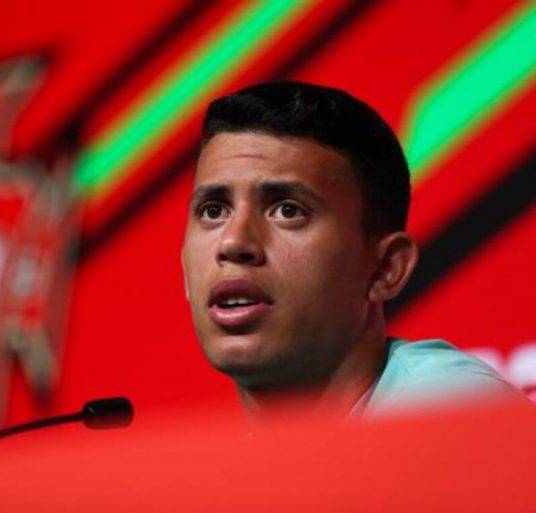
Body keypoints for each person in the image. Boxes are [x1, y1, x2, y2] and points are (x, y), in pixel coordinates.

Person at [181, 82, 521, 418]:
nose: (233, 242)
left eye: (287, 210)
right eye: (213, 211)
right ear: (184, 269)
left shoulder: (448, 406)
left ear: (386, 268)